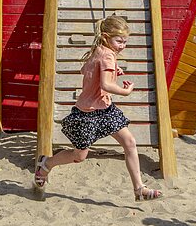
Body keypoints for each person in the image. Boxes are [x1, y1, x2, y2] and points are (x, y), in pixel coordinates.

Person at [32, 15, 162, 201]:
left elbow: (87, 71)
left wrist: (112, 70)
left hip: (105, 110)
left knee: (130, 143)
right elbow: (106, 85)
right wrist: (126, 92)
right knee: (79, 156)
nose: (122, 45)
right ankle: (46, 164)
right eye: (119, 41)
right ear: (105, 36)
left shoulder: (100, 51)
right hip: (87, 114)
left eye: (125, 41)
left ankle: (139, 188)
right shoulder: (107, 55)